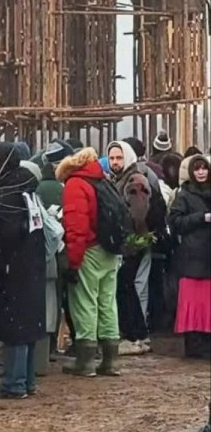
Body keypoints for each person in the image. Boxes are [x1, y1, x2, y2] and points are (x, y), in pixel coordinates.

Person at [0, 143, 46, 400]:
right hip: (32, 266)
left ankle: (14, 382)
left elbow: (5, 236)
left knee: (14, 325)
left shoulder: (6, 194)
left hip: (13, 269)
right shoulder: (27, 190)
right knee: (28, 325)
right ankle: (26, 379)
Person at [56, 147, 121, 377]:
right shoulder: (102, 180)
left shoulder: (75, 184)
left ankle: (85, 362)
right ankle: (110, 361)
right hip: (110, 249)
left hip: (89, 250)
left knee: (85, 303)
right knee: (107, 302)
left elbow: (76, 227)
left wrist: (73, 262)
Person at [107, 140, 166, 352]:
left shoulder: (134, 179)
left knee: (126, 288)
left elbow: (138, 213)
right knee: (128, 287)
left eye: (119, 158)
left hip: (133, 243)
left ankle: (135, 335)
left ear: (128, 158)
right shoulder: (123, 178)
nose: (115, 162)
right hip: (133, 242)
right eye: (112, 158)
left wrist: (129, 238)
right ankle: (138, 334)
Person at [168, 154, 210, 360]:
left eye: (204, 168)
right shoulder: (184, 195)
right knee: (193, 302)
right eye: (197, 169)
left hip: (208, 257)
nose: (201, 172)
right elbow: (175, 222)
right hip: (193, 257)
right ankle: (194, 344)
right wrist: (201, 217)